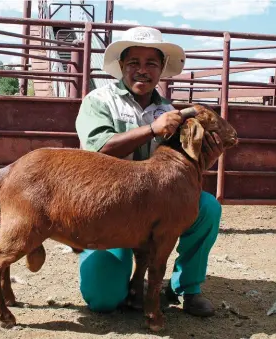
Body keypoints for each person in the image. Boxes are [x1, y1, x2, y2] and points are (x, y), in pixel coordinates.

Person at [75, 26, 223, 317]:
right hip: (110, 206)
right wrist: (151, 130)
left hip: (152, 204)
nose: (142, 71)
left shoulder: (166, 108)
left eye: (151, 64)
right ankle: (125, 275)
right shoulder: (99, 101)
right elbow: (99, 151)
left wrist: (208, 157)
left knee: (206, 207)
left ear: (161, 69)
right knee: (103, 300)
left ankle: (186, 287)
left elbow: (180, 164)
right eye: (134, 63)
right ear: (121, 67)